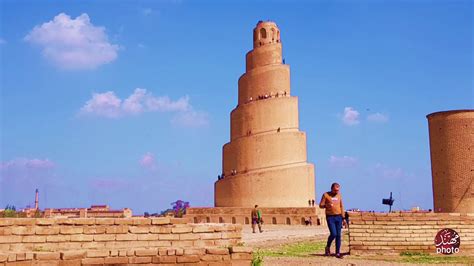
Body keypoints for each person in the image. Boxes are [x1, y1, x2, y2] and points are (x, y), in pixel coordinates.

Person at [319, 182, 347, 258]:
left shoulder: (339, 195)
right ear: (331, 189)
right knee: (333, 234)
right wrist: (326, 205)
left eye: (338, 190)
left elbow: (341, 206)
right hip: (330, 217)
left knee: (338, 235)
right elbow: (320, 205)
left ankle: (337, 252)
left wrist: (343, 218)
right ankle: (327, 247)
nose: (336, 192)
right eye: (335, 190)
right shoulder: (326, 195)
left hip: (338, 217)